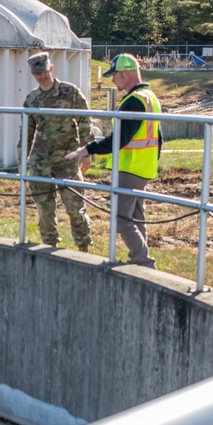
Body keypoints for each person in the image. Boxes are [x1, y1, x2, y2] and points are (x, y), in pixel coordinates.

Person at [68, 53, 161, 267]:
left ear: (126, 73)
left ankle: (143, 260)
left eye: (115, 75)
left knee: (121, 219)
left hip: (130, 168)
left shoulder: (134, 101)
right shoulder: (150, 97)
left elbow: (119, 139)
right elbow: (159, 137)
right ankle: (141, 260)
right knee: (136, 217)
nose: (112, 80)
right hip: (143, 167)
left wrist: (88, 149)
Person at [21, 52, 92, 251]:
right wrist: (22, 159)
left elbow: (85, 121)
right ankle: (49, 246)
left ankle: (83, 247)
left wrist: (86, 152)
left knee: (75, 207)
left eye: (44, 71)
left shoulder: (70, 93)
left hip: (67, 159)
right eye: (37, 74)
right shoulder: (32, 99)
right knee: (45, 209)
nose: (41, 76)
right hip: (41, 161)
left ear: (50, 69)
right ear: (33, 74)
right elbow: (27, 131)